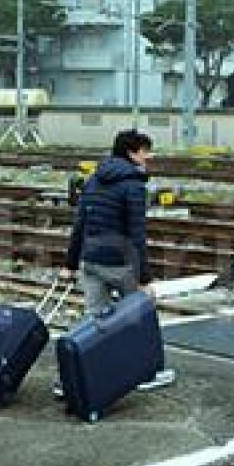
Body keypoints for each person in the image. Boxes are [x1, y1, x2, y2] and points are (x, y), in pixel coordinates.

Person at [58, 129, 175, 394]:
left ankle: (83, 377)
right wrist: (144, 279)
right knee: (139, 321)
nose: (149, 156)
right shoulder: (134, 185)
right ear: (132, 153)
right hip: (121, 265)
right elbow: (137, 236)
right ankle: (148, 374)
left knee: (97, 325)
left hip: (90, 261)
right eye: (145, 151)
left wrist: (70, 264)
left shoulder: (93, 180)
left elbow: (80, 225)